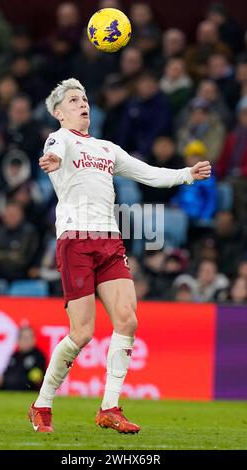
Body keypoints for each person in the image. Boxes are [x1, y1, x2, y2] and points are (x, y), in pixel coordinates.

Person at [28, 77, 211, 434]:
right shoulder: (59, 139)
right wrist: (51, 159)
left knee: (127, 321)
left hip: (110, 242)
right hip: (76, 240)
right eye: (74, 100)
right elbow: (55, 151)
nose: (83, 104)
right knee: (81, 333)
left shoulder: (106, 149)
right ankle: (42, 404)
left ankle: (109, 407)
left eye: (85, 98)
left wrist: (186, 174)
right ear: (58, 112)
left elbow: (149, 174)